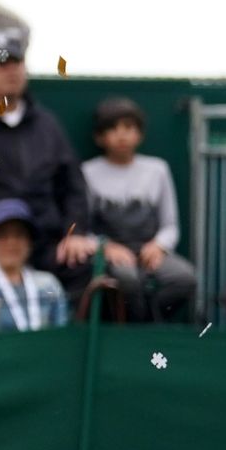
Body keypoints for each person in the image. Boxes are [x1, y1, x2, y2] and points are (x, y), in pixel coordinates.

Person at [0, 28, 93, 282]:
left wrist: (75, 232)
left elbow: (73, 186)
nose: (10, 70)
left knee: (88, 268)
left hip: (47, 244)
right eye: (0, 62)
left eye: (16, 62)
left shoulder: (47, 125)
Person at [83, 97, 197, 323]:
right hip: (111, 253)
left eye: (128, 127)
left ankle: (149, 326)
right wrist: (106, 248)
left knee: (184, 277)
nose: (122, 135)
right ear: (100, 137)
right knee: (127, 280)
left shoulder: (158, 170)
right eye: (113, 128)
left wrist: (159, 246)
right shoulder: (88, 172)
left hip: (149, 251)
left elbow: (170, 225)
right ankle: (131, 334)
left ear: (140, 134)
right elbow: (82, 230)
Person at [0, 199, 69, 335]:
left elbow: (62, 336)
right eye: (2, 235)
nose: (11, 242)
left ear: (30, 242)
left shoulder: (48, 285)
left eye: (19, 234)